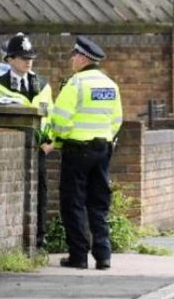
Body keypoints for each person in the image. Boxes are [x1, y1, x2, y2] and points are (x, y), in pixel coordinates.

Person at [45, 36, 122, 270]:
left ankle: (78, 256)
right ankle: (103, 255)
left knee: (73, 203)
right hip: (103, 149)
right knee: (98, 203)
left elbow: (60, 119)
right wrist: (106, 140)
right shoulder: (110, 85)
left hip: (77, 150)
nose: (71, 59)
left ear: (82, 58)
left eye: (73, 55)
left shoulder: (76, 84)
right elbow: (116, 119)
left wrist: (56, 142)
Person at [0, 32, 53, 247]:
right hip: (13, 147)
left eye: (30, 58)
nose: (28, 62)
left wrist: (50, 142)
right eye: (23, 58)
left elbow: (50, 116)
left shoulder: (42, 84)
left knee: (41, 192)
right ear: (9, 59)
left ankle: (40, 237)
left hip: (38, 146)